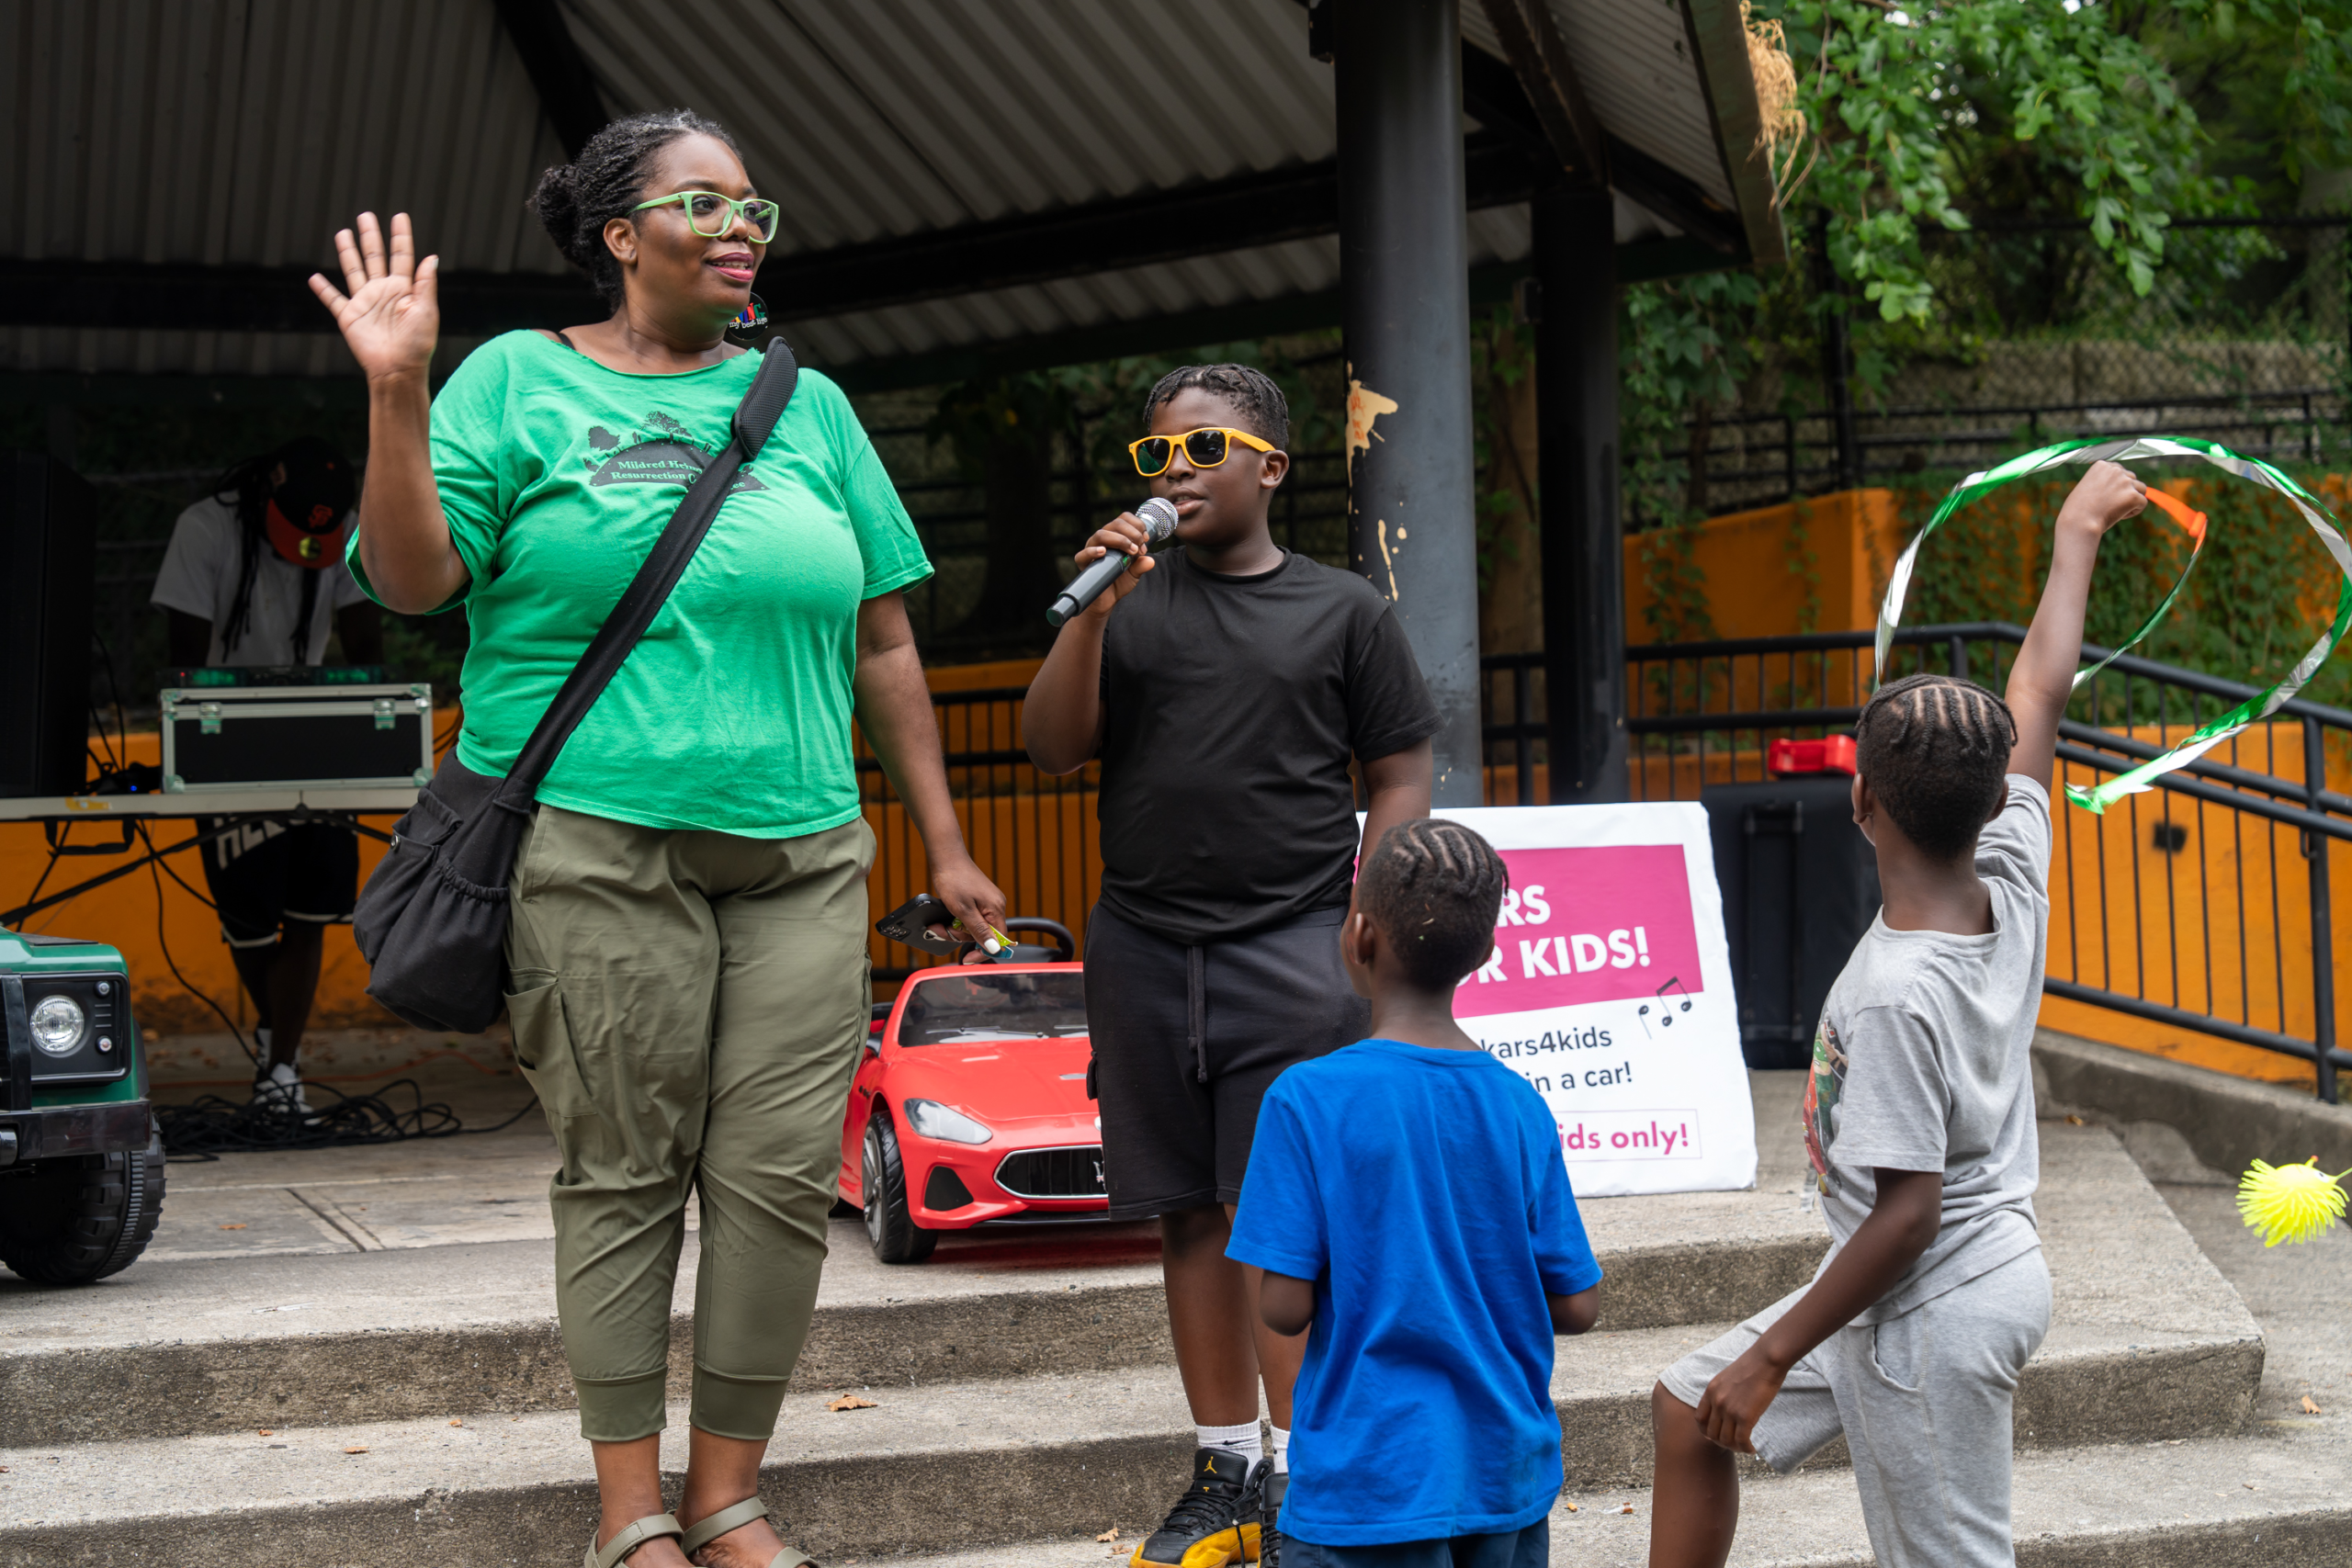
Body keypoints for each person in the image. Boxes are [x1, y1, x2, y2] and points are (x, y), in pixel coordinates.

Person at [306, 109, 1006, 1568]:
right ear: (622, 236)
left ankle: (727, 1491)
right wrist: (399, 394)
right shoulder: (513, 381)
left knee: (772, 1180)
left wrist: (943, 840)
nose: (744, 228)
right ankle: (629, 1511)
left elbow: (883, 636)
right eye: (707, 204)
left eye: (758, 207)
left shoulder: (805, 403)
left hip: (806, 847)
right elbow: (421, 580)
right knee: (628, 1169)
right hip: (595, 844)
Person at [1645, 460, 2152, 1568]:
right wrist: (2075, 534)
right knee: (1688, 1412)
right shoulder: (2012, 867)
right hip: (1942, 1279)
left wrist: (1774, 1352)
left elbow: (1906, 1214)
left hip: (1934, 1302)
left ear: (1859, 799)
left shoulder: (1890, 998)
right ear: (1995, 797)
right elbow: (2040, 697)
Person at [1025, 365, 1441, 1568]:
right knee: (1187, 1217)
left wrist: (1371, 911)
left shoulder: (1344, 610)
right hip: (1146, 949)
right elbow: (1051, 746)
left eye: (1207, 448)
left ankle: (1319, 1471)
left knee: (1291, 1225)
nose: (1179, 472)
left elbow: (1400, 769)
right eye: (1157, 457)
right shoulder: (1129, 603)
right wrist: (1094, 613)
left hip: (1294, 948)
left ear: (1272, 464)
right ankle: (1227, 1465)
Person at [1229, 819, 1602, 1568]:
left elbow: (1283, 1306)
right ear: (1488, 952)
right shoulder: (1519, 1104)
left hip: (1368, 1487)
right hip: (1504, 1474)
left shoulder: (1306, 1099)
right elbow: (1578, 1305)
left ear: (1358, 933)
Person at [150, 435, 381, 1114]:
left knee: (313, 906)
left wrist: (369, 702)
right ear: (265, 494)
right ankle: (275, 1038)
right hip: (225, 742)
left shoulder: (340, 532)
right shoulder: (206, 528)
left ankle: (281, 1066)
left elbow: (364, 636)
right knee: (250, 915)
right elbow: (184, 658)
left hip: (316, 741)